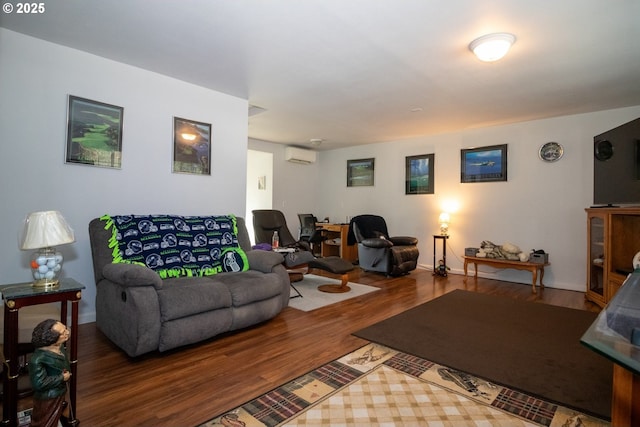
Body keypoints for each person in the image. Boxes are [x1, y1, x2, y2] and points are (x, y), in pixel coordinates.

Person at [29, 319, 73, 427]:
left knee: (55, 416)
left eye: (65, 328)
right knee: (45, 420)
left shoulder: (60, 346)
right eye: (63, 333)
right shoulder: (37, 360)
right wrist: (61, 378)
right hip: (48, 398)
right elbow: (39, 384)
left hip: (59, 392)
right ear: (52, 339)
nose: (67, 332)